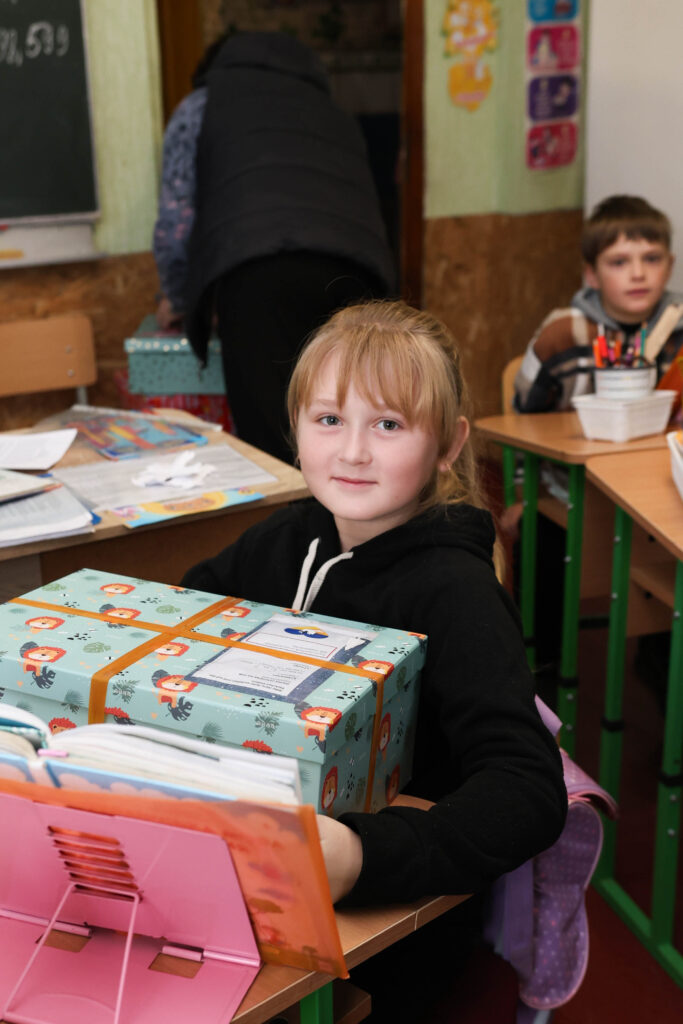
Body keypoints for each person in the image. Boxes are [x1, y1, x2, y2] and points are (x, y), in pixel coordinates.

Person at [181, 299, 567, 1022]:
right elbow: (183, 616)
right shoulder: (286, 537)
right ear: (295, 430)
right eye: (329, 419)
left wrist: (361, 856)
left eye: (388, 425)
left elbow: (526, 789)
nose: (353, 451)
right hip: (255, 866)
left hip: (390, 916)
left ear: (448, 444)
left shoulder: (457, 592)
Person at [152, 31, 395, 465]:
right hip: (356, 273)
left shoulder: (202, 106)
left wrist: (180, 298)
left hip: (259, 273)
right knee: (351, 434)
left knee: (274, 445)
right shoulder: (334, 112)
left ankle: (298, 512)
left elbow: (176, 221)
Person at [514, 194, 683, 412]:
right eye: (619, 262)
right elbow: (522, 415)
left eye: (652, 259)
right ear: (592, 274)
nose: (638, 274)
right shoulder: (562, 332)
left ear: (669, 266)